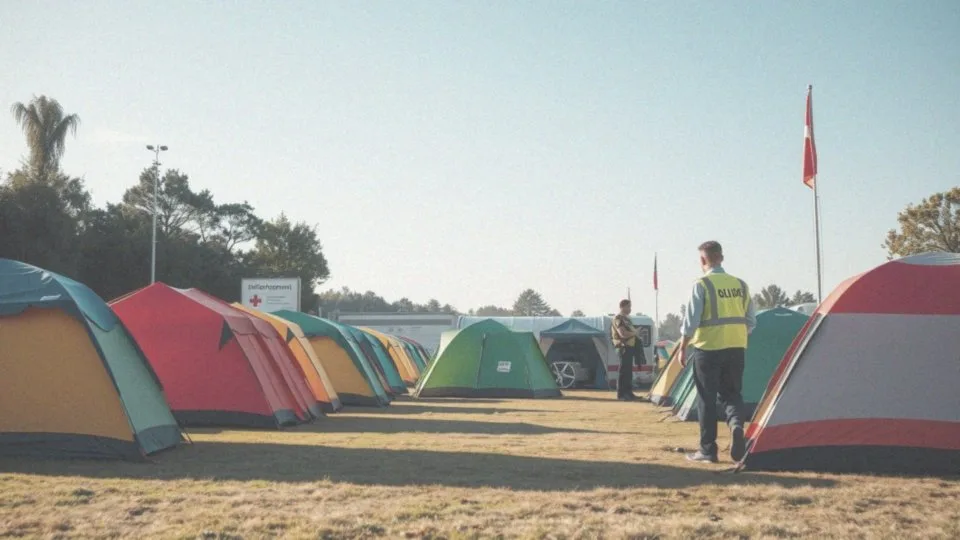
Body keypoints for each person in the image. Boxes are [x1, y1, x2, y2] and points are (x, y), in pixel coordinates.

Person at [678, 241, 756, 463]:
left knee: (707, 398)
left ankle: (708, 450)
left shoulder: (701, 285)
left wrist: (682, 348)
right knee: (732, 394)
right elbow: (751, 321)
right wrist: (736, 335)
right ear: (721, 257)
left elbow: (691, 322)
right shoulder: (740, 285)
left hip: (708, 348)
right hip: (736, 347)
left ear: (702, 260)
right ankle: (736, 425)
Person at [611, 299, 640, 401]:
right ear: (622, 307)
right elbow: (622, 333)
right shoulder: (619, 318)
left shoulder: (627, 319)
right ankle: (621, 394)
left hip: (630, 347)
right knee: (624, 371)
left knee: (628, 372)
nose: (630, 309)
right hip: (623, 347)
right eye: (628, 307)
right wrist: (635, 333)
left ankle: (629, 393)